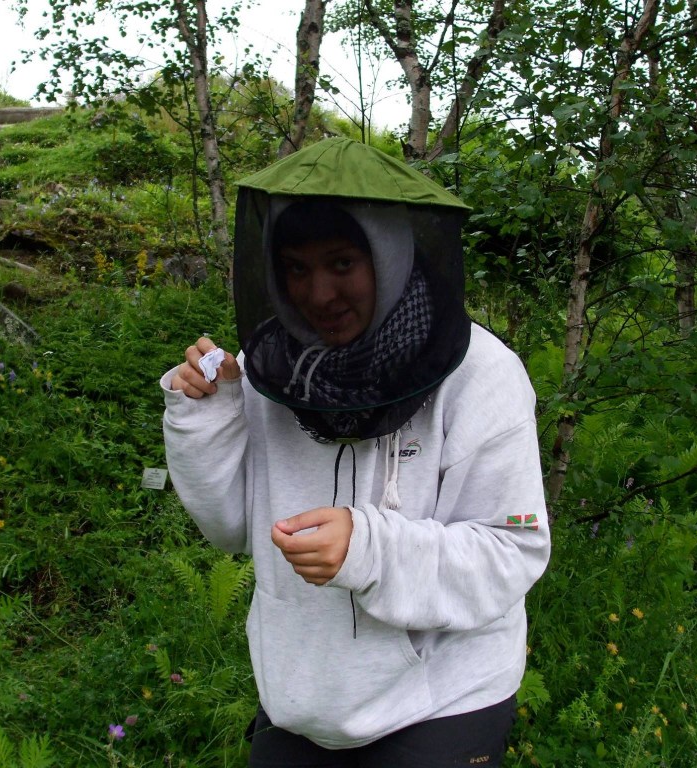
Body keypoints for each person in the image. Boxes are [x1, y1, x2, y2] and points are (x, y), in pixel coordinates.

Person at [160, 137, 550, 767]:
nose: (318, 294)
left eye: (342, 264)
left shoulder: (480, 373)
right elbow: (233, 529)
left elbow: (514, 548)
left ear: (389, 257)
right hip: (302, 696)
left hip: (444, 695)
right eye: (296, 268)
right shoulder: (279, 366)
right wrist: (206, 418)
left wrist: (369, 549)